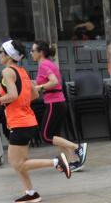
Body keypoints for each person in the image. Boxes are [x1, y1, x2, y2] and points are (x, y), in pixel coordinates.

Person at [0, 39, 71, 203]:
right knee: (20, 162)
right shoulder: (22, 72)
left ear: (8, 55)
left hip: (19, 122)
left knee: (17, 163)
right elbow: (34, 95)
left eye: (1, 52)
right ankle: (31, 192)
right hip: (26, 120)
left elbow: (12, 95)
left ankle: (57, 162)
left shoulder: (8, 72)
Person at [30, 41, 88, 172]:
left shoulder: (44, 64)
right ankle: (74, 161)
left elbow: (54, 82)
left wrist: (38, 87)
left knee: (46, 136)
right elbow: (47, 81)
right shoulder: (48, 64)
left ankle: (77, 147)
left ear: (41, 53)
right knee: (55, 136)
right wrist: (32, 83)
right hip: (57, 102)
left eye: (33, 51)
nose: (31, 53)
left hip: (54, 103)